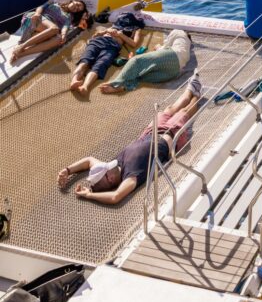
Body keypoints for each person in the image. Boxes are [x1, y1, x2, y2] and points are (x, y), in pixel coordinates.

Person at [57, 75, 202, 205]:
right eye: (107, 168)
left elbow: (88, 161)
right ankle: (197, 94)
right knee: (184, 112)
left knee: (169, 109)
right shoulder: (130, 177)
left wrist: (67, 170)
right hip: (168, 138)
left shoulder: (112, 168)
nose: (107, 164)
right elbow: (115, 197)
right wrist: (88, 195)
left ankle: (190, 89)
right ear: (111, 179)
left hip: (149, 133)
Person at [70, 10, 146, 95]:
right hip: (99, 41)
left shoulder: (136, 29)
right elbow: (95, 35)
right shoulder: (116, 24)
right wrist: (105, 32)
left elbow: (134, 44)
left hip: (112, 47)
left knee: (100, 66)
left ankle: (85, 87)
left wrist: (120, 35)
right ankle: (74, 81)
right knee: (85, 61)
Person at [100, 29, 192, 94]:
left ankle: (115, 83)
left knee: (136, 60)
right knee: (141, 75)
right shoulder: (186, 46)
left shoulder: (179, 32)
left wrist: (158, 47)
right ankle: (123, 87)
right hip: (174, 71)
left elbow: (166, 45)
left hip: (173, 56)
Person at [9, 0, 90, 65]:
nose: (76, 8)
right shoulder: (55, 2)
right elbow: (41, 6)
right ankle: (22, 46)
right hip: (36, 19)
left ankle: (21, 54)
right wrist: (37, 13)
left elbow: (65, 27)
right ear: (73, 1)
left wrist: (64, 35)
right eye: (78, 5)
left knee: (59, 39)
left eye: (78, 9)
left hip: (44, 30)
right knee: (55, 29)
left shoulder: (69, 17)